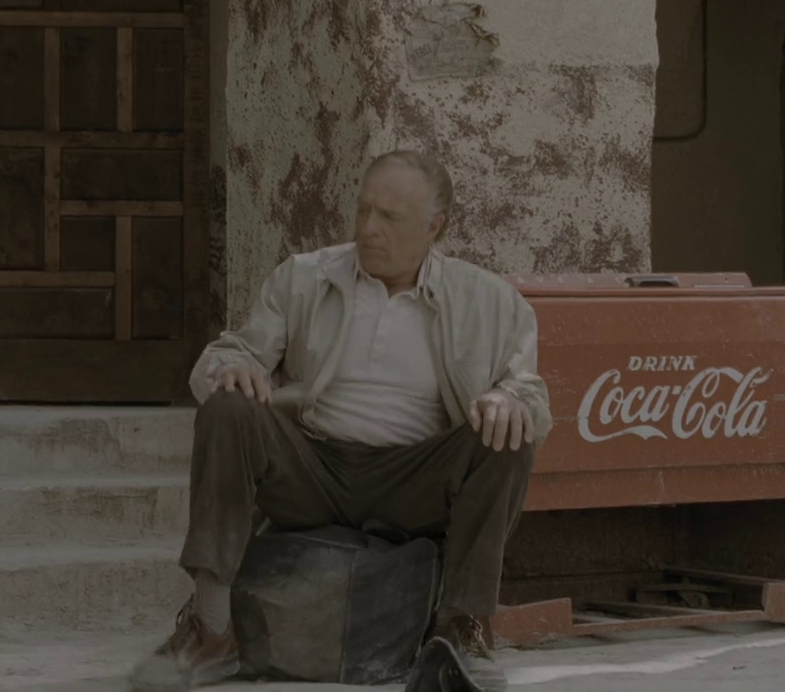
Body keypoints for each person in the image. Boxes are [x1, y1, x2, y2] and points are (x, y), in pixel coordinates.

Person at [129, 150, 552, 692]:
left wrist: (507, 398)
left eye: (389, 217)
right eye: (363, 210)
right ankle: (210, 628)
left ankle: (460, 631)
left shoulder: (489, 301)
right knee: (229, 406)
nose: (369, 229)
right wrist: (236, 368)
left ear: (434, 227)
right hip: (314, 468)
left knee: (507, 438)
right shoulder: (306, 277)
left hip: (413, 478)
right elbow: (229, 352)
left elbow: (529, 393)